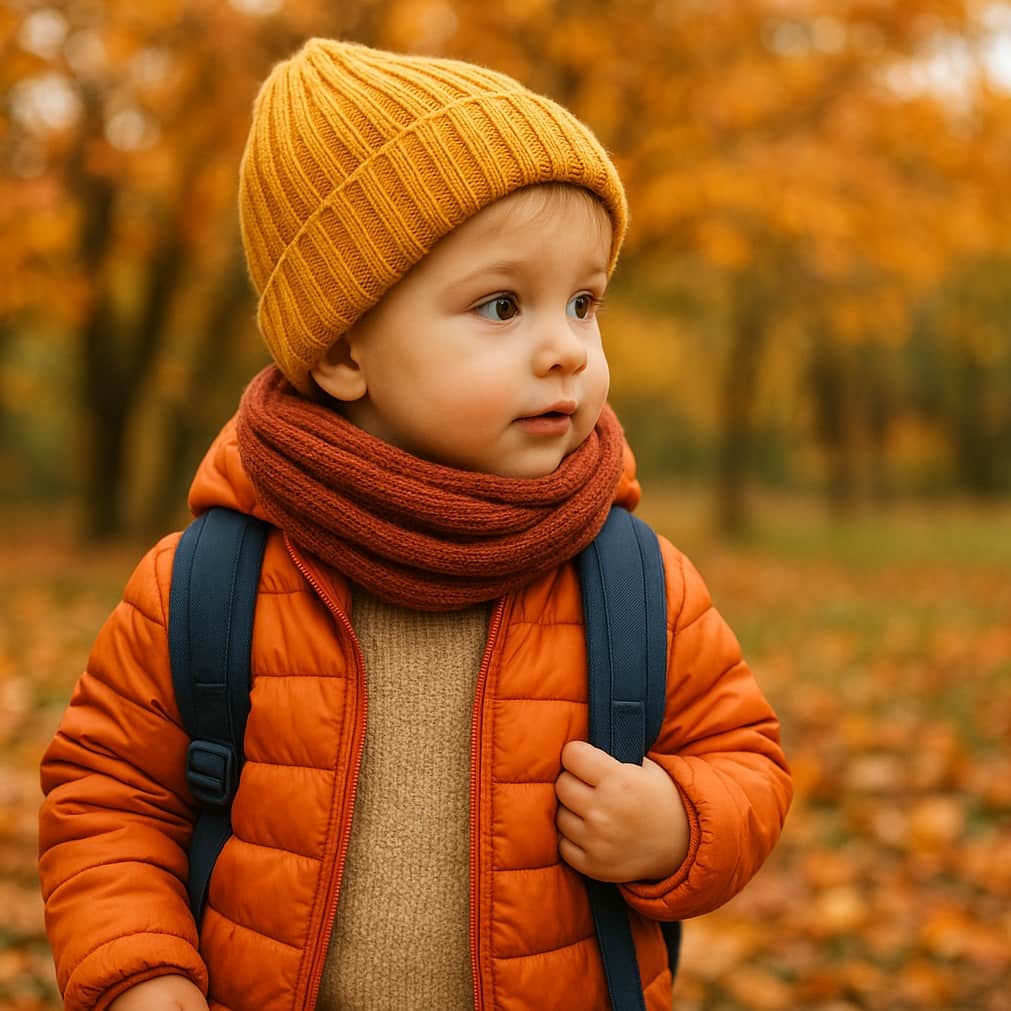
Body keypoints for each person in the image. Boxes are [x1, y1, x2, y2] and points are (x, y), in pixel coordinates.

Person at [38, 39, 792, 1011]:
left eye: (583, 301)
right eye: (501, 304)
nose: (566, 348)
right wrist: (142, 973)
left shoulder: (629, 579)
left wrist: (680, 825)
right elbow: (108, 800)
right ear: (347, 350)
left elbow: (747, 762)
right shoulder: (211, 584)